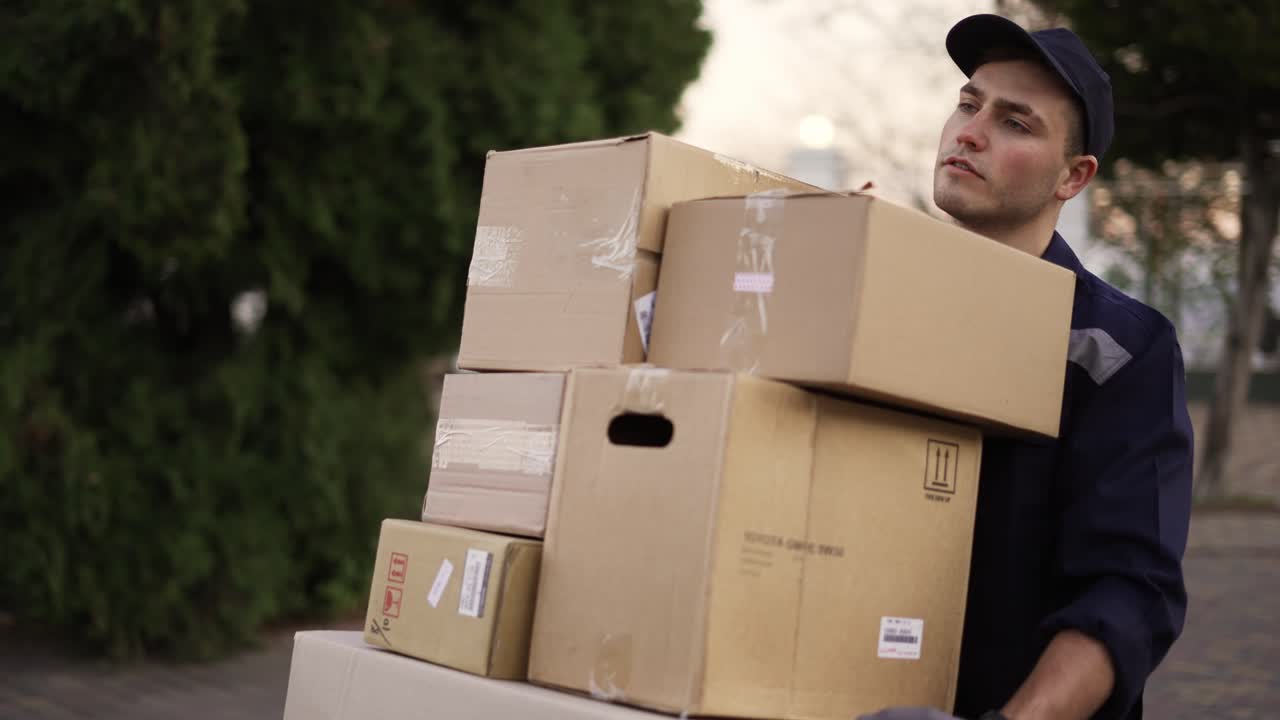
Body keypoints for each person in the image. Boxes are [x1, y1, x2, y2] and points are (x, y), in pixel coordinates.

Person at [859, 14, 1194, 720]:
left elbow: (1131, 590)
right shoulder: (875, 301)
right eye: (968, 104)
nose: (970, 133)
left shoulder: (1120, 349)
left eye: (1016, 123)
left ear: (1072, 176)